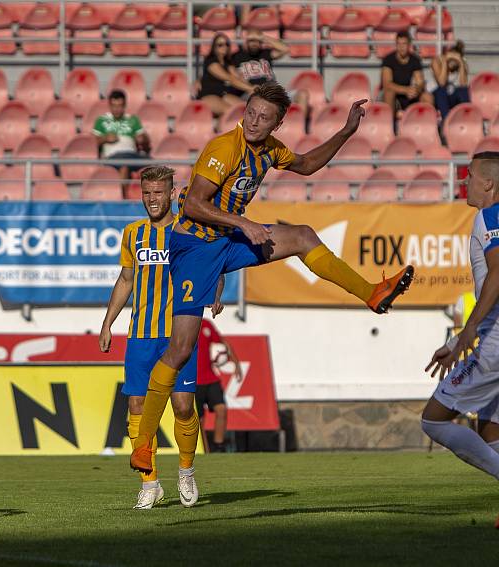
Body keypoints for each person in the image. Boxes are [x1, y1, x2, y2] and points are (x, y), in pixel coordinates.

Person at [129, 81, 415, 475]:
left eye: (264, 117)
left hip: (226, 239)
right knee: (180, 350)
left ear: (278, 124)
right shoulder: (223, 148)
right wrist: (245, 224)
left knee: (302, 237)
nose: (253, 121)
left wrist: (347, 131)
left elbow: (308, 165)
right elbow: (194, 204)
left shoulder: (271, 151)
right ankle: (144, 443)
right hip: (192, 247)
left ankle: (372, 293)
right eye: (250, 112)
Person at [100, 166, 223, 509]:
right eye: (146, 193)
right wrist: (108, 322)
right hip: (140, 336)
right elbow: (126, 280)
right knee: (137, 406)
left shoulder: (188, 232)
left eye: (158, 193)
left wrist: (215, 290)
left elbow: (211, 266)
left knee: (183, 406)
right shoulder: (133, 234)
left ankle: (186, 470)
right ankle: (149, 482)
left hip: (177, 334)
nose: (152, 199)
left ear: (171, 193)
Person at [422, 152, 499, 522]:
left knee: (433, 420)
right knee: (489, 430)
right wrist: (458, 341)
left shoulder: (490, 215)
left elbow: (498, 274)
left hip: (495, 342)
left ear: (489, 184)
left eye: (470, 177)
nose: (464, 182)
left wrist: (467, 331)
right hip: (490, 337)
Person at [196, 317, 242, 453]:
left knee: (221, 409)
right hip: (193, 381)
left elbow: (223, 343)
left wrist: (236, 363)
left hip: (210, 378)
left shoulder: (205, 324)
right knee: (199, 420)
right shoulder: (179, 325)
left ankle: (219, 446)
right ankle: (204, 450)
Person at [92, 90, 151, 181]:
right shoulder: (101, 120)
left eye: (120, 106)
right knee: (124, 167)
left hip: (132, 154)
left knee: (156, 165)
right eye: (114, 106)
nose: (116, 109)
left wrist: (142, 138)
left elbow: (145, 138)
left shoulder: (132, 119)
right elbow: (91, 143)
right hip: (113, 156)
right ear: (109, 105)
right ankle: (123, 194)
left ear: (124, 105)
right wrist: (104, 139)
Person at [197, 33, 255, 116]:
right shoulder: (210, 61)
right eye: (220, 45)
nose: (224, 47)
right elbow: (230, 79)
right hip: (209, 95)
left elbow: (238, 78)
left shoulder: (228, 62)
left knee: (246, 109)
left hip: (223, 94)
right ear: (214, 47)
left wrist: (253, 89)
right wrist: (251, 88)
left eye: (227, 44)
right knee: (231, 112)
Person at [381, 31, 433, 117]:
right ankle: (389, 127)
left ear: (409, 45)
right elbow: (387, 84)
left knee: (427, 97)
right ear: (396, 45)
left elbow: (420, 82)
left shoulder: (415, 60)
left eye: (404, 44)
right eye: (399, 44)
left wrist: (416, 90)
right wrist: (406, 90)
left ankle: (425, 125)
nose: (401, 47)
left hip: (409, 96)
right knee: (389, 93)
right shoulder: (388, 60)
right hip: (394, 96)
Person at [430, 40, 469, 121]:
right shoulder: (437, 61)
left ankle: (466, 119)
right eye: (451, 59)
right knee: (441, 91)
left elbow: (463, 85)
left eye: (455, 60)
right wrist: (445, 62)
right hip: (436, 96)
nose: (452, 63)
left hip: (451, 96)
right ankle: (447, 121)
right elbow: (442, 83)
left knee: (465, 91)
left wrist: (461, 63)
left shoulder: (462, 64)